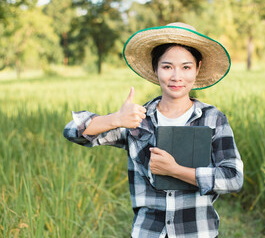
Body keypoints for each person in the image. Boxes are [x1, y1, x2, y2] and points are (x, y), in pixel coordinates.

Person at [63, 22, 243, 238]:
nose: (177, 76)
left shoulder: (212, 119)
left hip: (197, 231)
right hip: (148, 232)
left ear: (198, 68)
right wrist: (116, 119)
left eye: (186, 67)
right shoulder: (138, 120)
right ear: (155, 68)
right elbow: (74, 131)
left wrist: (175, 170)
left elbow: (233, 177)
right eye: (167, 67)